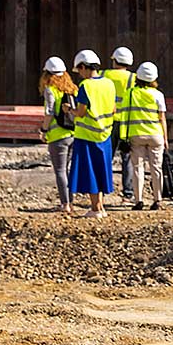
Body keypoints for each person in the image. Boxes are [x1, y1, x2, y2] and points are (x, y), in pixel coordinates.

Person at [68, 49, 117, 219]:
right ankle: (100, 207)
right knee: (101, 170)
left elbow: (81, 112)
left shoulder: (86, 86)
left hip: (86, 136)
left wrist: (70, 110)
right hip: (105, 134)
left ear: (83, 66)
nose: (80, 74)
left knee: (90, 172)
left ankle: (95, 209)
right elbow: (113, 108)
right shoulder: (109, 84)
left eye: (79, 70)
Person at [121, 62, 168, 211]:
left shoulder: (130, 93)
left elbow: (124, 116)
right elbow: (162, 118)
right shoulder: (158, 95)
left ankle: (138, 200)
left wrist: (124, 136)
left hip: (136, 135)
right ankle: (157, 199)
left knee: (137, 168)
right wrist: (165, 138)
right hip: (155, 134)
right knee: (156, 168)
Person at [38, 56, 77, 215]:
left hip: (57, 136)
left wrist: (44, 130)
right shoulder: (72, 88)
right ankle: (71, 201)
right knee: (68, 170)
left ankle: (65, 204)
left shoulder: (50, 89)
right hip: (73, 134)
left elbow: (50, 113)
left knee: (60, 170)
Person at [104, 46, 136, 199]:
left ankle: (104, 188)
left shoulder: (104, 74)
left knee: (106, 157)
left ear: (115, 60)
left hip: (108, 122)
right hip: (126, 124)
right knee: (127, 157)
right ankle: (128, 191)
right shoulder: (133, 78)